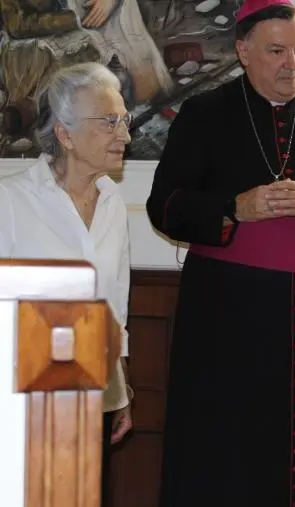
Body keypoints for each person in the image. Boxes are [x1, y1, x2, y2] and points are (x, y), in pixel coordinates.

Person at [145, 1, 295, 505]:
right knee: (226, 449)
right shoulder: (204, 113)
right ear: (243, 52)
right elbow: (165, 206)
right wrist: (235, 208)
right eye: (276, 51)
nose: (291, 63)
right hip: (223, 321)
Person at [0, 62, 134, 504]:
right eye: (109, 122)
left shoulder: (114, 204)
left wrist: (121, 387)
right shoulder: (12, 200)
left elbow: (115, 300)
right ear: (65, 133)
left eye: (125, 120)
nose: (125, 135)